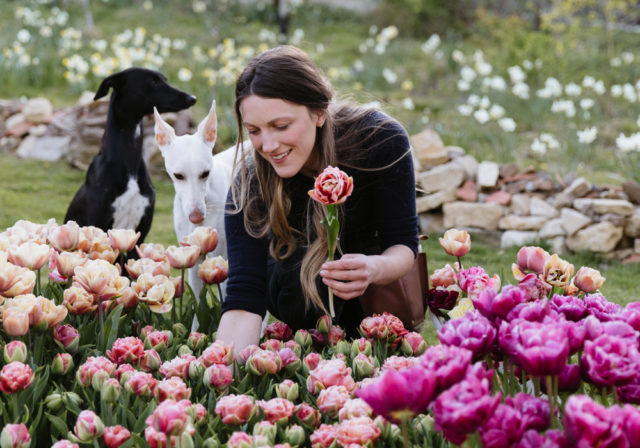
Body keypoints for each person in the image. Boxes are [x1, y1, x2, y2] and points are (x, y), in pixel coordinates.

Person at [216, 45, 419, 352]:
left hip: (377, 323)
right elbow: (245, 297)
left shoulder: (378, 140)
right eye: (254, 130)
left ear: (319, 113)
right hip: (301, 331)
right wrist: (220, 376)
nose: (268, 145)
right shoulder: (251, 183)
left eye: (281, 126)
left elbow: (404, 244)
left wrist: (373, 267)